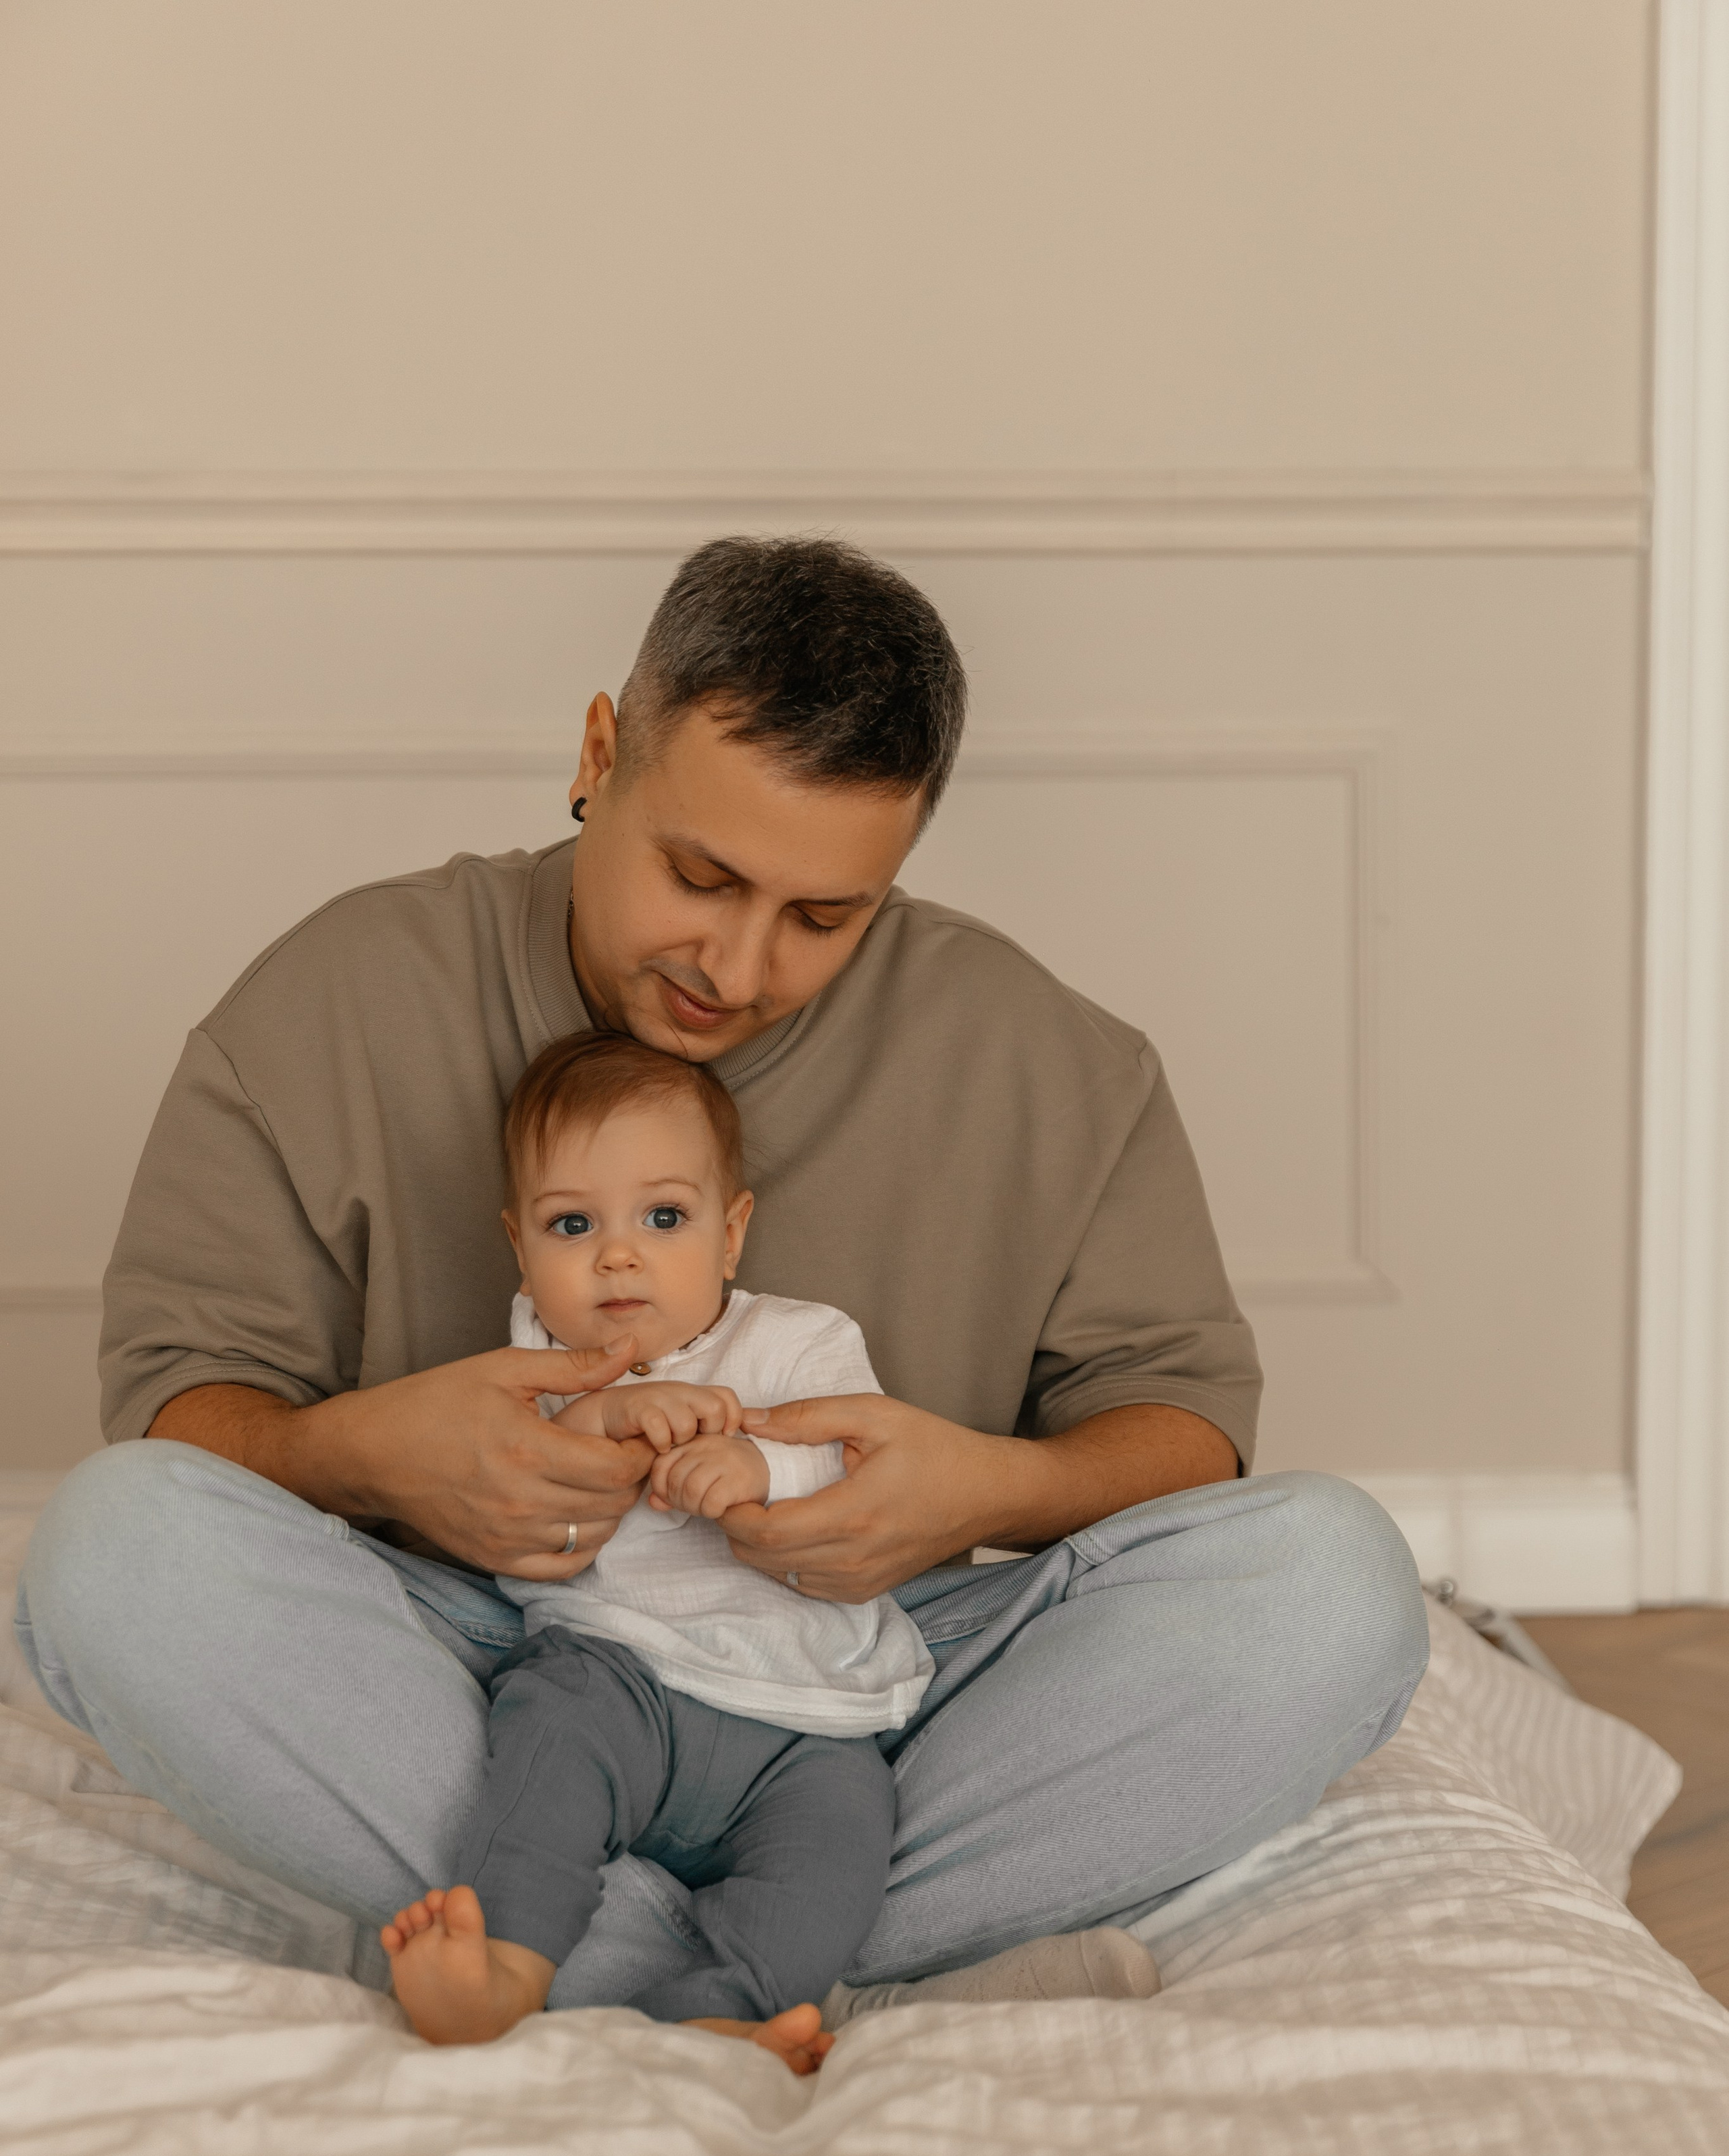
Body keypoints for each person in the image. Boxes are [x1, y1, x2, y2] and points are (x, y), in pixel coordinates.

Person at [17, 536, 1428, 2021]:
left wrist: (983, 1491)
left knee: (1328, 1579)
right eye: (700, 874)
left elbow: (1184, 1427)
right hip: (504, 1659)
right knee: (115, 1548)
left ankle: (558, 1942)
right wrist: (362, 1452)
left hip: (871, 1681)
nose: (739, 965)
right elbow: (184, 1410)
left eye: (825, 917)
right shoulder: (331, 998)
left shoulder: (1053, 1063)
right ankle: (789, 1969)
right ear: (597, 753)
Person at [386, 1028, 927, 2067]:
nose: (617, 1253)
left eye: (663, 1217)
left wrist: (763, 1468)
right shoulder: (537, 1361)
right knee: (542, 1752)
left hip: (797, 1719)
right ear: (520, 1245)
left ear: (732, 1235)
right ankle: (503, 1964)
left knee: (846, 1839)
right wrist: (608, 1420)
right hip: (615, 1672)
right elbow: (524, 1497)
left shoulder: (801, 1341)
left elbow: (864, 1470)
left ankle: (723, 2007)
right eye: (572, 1223)